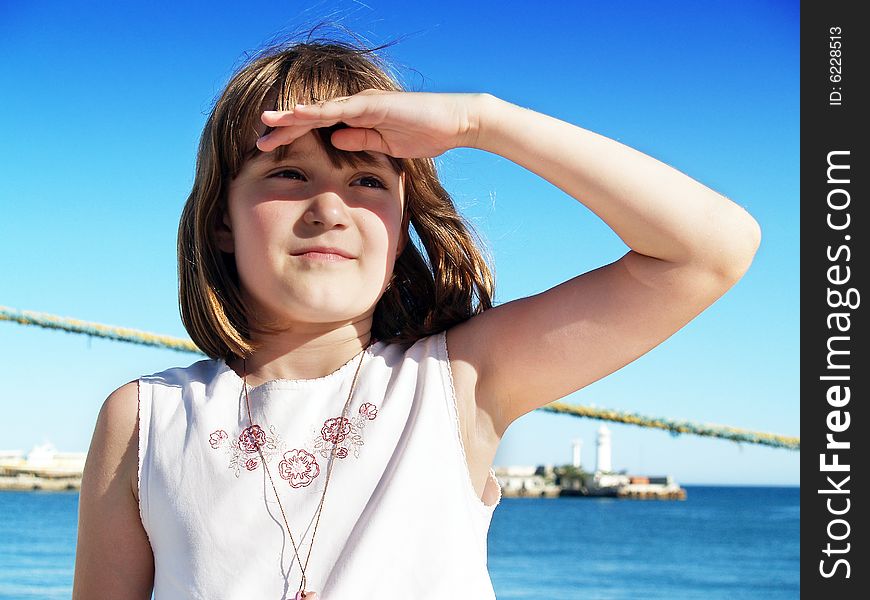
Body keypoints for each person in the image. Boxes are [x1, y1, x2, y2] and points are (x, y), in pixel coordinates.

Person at [72, 34, 761, 600]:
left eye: (367, 179)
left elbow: (710, 251)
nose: (330, 208)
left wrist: (478, 122)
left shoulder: (459, 383)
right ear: (222, 220)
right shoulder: (146, 418)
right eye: (287, 173)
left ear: (401, 229)